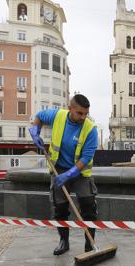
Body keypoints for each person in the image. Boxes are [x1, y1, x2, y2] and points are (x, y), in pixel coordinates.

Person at [29, 94, 99, 255]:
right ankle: (64, 241)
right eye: (79, 113)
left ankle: (90, 245)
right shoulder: (58, 116)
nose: (83, 117)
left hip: (80, 173)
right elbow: (39, 116)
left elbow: (86, 158)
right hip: (58, 169)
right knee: (60, 209)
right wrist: (35, 130)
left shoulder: (90, 129)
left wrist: (70, 174)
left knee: (89, 208)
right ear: (70, 108)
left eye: (86, 113)